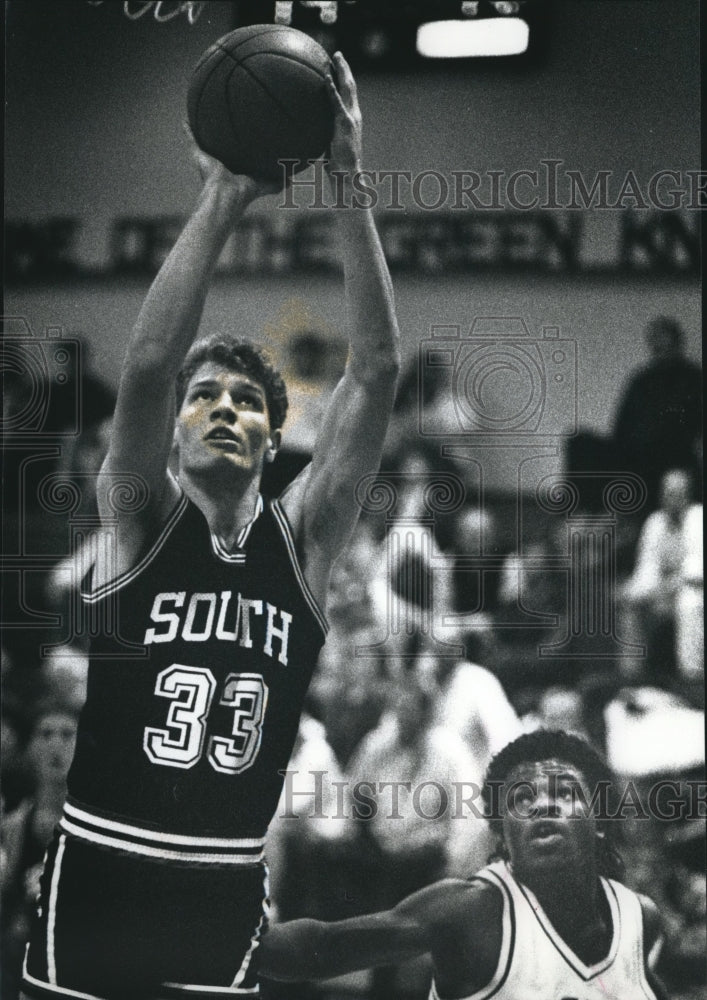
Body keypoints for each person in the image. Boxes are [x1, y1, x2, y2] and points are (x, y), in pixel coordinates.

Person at [21, 53, 400, 1000]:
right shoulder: (138, 518)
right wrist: (224, 195)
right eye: (204, 398)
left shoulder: (303, 541)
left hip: (221, 880)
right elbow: (145, 366)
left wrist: (347, 181)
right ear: (175, 429)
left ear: (275, 440)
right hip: (101, 873)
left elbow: (377, 371)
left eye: (244, 399)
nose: (221, 408)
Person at [259, 730, 668, 1000]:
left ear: (599, 823)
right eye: (522, 799)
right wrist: (227, 934)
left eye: (564, 793)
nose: (543, 804)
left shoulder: (639, 918)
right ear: (502, 834)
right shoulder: (471, 912)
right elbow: (321, 948)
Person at [613, 316, 701, 509]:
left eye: (665, 344)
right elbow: (621, 427)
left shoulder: (695, 379)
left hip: (680, 458)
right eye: (656, 345)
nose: (660, 351)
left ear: (677, 344)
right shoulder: (640, 381)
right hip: (643, 462)